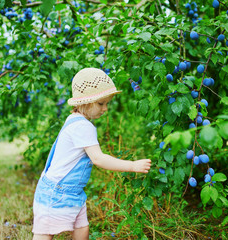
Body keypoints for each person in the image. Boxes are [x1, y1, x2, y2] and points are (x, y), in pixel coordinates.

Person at [32, 68, 152, 240]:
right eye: (101, 104)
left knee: (82, 228)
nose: (105, 109)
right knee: (45, 233)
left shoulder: (74, 119)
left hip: (71, 191)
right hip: (57, 192)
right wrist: (132, 166)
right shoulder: (83, 126)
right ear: (85, 102)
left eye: (107, 103)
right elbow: (98, 158)